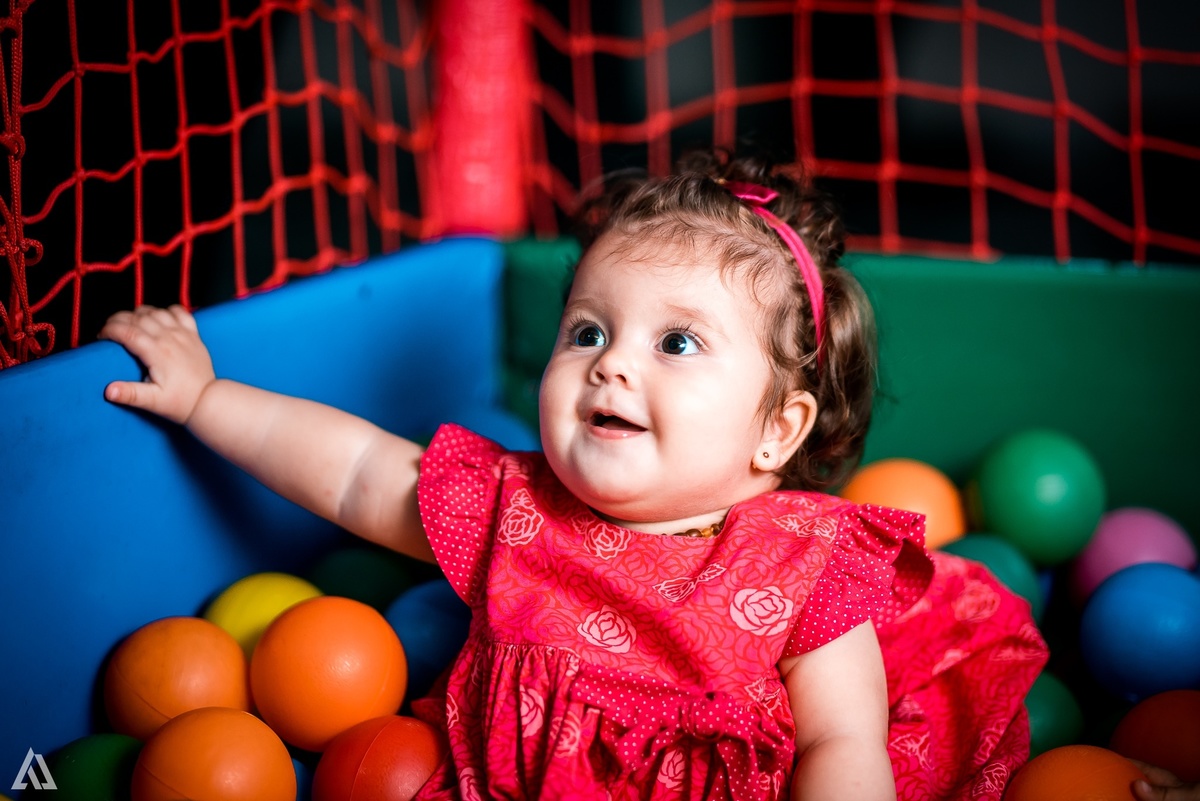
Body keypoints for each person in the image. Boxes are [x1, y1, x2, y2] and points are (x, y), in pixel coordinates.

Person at [100, 148, 1049, 800]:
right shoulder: (509, 510)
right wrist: (205, 399)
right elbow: (353, 472)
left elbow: (841, 741)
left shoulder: (804, 563)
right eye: (588, 330)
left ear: (777, 431)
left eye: (676, 341)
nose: (612, 363)